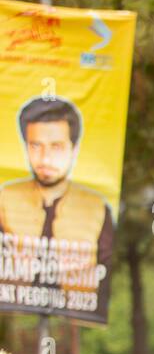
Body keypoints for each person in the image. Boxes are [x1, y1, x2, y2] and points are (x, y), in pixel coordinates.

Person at [0, 96, 114, 313]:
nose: (45, 158)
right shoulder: (5, 199)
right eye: (36, 146)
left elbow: (104, 278)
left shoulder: (96, 208)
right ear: (25, 146)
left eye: (57, 147)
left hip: (74, 322)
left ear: (75, 148)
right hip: (11, 322)